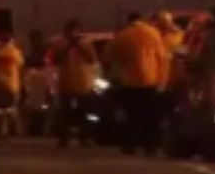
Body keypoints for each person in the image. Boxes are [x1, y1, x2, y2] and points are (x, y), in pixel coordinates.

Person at [108, 11, 169, 155]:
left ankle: (130, 146)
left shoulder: (124, 35)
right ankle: (151, 146)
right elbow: (162, 58)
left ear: (129, 21)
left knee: (132, 116)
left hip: (131, 81)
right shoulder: (153, 33)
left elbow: (113, 57)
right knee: (151, 116)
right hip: (152, 80)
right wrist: (163, 80)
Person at [53, 19, 99, 148]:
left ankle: (85, 138)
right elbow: (56, 58)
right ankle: (64, 138)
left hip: (82, 83)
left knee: (84, 112)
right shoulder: (61, 44)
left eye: (74, 30)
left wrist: (80, 45)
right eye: (69, 30)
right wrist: (67, 46)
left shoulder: (85, 43)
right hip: (66, 83)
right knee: (65, 113)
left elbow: (92, 59)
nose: (71, 33)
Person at [0, 31, 24, 138]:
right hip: (11, 84)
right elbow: (20, 65)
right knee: (11, 108)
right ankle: (12, 131)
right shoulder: (15, 52)